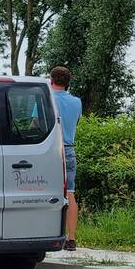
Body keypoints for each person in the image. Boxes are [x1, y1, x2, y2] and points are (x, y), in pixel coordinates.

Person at [50, 66, 82, 251]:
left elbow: (35, 123)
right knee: (70, 192)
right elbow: (76, 122)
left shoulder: (45, 97)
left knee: (44, 192)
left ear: (51, 79)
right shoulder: (76, 102)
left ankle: (48, 233)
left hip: (49, 150)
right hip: (69, 149)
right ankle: (71, 239)